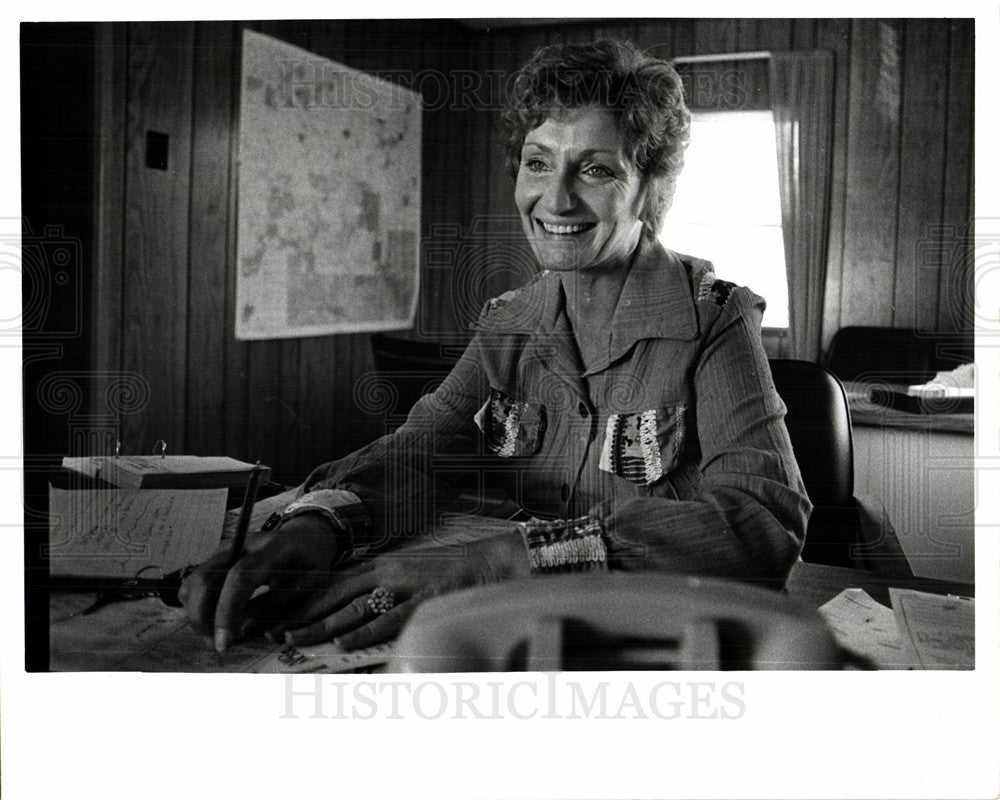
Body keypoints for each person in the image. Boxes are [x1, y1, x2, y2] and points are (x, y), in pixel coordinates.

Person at [179, 39, 811, 654]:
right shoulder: (509, 321)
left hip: (657, 643)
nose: (555, 199)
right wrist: (319, 524)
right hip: (516, 635)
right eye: (538, 163)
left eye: (595, 169)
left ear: (651, 190)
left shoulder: (716, 316)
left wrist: (504, 560)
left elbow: (763, 523)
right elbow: (426, 450)